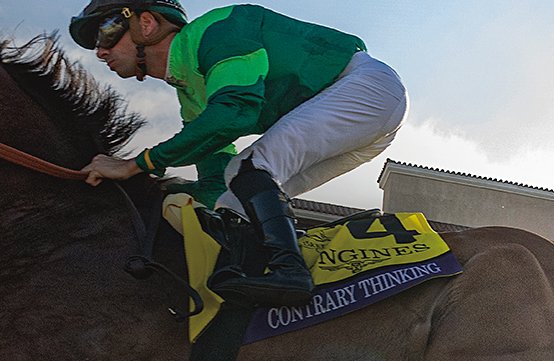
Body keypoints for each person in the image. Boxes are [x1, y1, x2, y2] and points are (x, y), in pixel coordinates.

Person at [69, 1, 408, 306]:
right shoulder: (191, 94)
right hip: (370, 121)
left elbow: (235, 112)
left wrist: (135, 165)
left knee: (247, 167)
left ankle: (290, 273)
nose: (100, 51)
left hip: (365, 87)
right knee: (232, 201)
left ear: (146, 23)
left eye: (106, 32)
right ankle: (280, 271)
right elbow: (215, 181)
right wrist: (158, 191)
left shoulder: (218, 30)